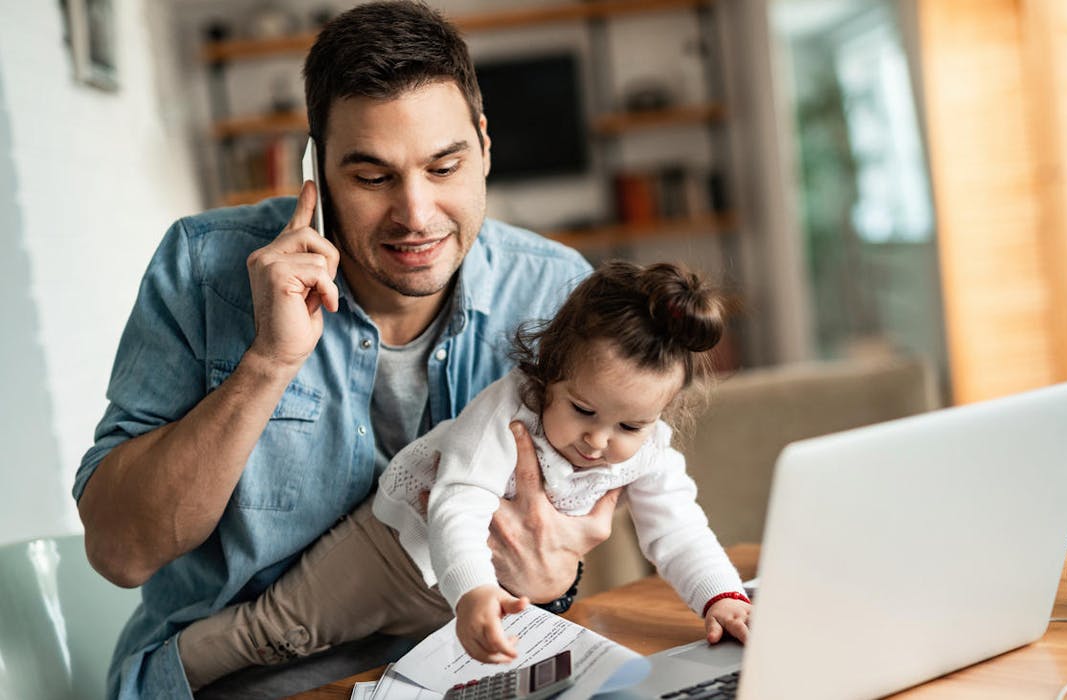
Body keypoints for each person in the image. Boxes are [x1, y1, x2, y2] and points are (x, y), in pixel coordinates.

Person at [73, 3, 618, 698]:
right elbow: (122, 553)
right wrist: (269, 362)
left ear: (484, 145)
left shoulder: (557, 291)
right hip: (250, 682)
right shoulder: (203, 270)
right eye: (371, 177)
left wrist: (559, 579)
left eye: (444, 166)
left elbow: (564, 537)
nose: (416, 214)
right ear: (317, 170)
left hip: (469, 670)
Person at [177, 261, 753, 689]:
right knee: (276, 634)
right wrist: (475, 590)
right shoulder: (508, 411)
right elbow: (459, 503)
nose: (599, 443)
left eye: (630, 425)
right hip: (394, 552)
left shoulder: (647, 450)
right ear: (549, 373)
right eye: (582, 411)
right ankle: (169, 670)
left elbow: (678, 528)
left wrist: (720, 598)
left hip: (468, 597)